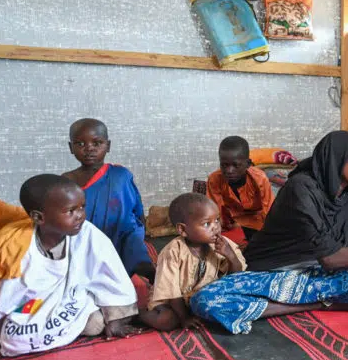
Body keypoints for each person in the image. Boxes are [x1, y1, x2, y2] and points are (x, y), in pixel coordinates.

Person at [189, 131, 348, 334]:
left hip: (318, 278)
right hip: (272, 273)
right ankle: (317, 305)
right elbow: (331, 258)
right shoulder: (301, 188)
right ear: (338, 157)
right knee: (205, 301)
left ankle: (296, 300)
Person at [0, 175, 139, 356]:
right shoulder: (13, 245)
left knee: (95, 324)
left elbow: (110, 273)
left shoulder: (88, 233)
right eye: (70, 211)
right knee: (15, 339)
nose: (81, 216)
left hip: (68, 295)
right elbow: (7, 294)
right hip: (29, 305)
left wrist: (117, 318)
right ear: (39, 217)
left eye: (82, 207)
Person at [63, 118, 154, 282]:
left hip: (122, 234)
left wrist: (144, 232)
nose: (89, 149)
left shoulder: (120, 175)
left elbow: (136, 207)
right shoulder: (66, 180)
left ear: (108, 146)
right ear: (71, 147)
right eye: (80, 144)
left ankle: (144, 276)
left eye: (97, 143)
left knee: (135, 248)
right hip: (86, 237)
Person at [140, 193, 246, 331]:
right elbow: (172, 292)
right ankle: (139, 315)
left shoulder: (222, 245)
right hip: (171, 300)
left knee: (232, 307)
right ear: (183, 229)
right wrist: (185, 318)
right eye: (207, 223)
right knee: (167, 321)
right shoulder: (173, 252)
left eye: (217, 220)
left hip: (199, 298)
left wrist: (231, 256)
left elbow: (235, 277)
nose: (215, 227)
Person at [206, 136, 274, 245]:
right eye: (224, 165)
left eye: (236, 165)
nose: (229, 171)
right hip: (230, 224)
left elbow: (269, 211)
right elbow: (214, 213)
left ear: (248, 164)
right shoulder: (214, 179)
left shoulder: (259, 178)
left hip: (256, 222)